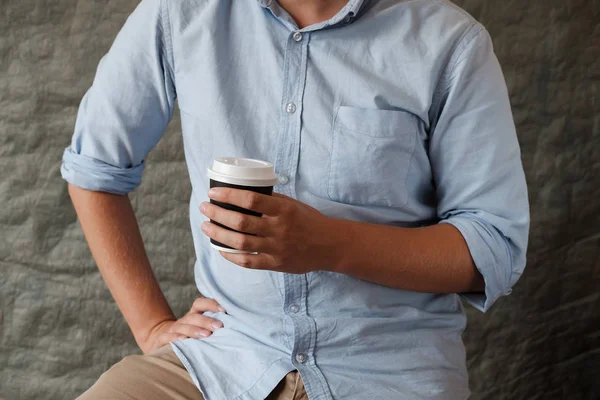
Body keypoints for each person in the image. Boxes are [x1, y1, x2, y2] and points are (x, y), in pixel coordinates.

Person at [61, 0, 530, 399]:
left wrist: (329, 244)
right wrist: (152, 327)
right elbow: (93, 171)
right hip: (222, 360)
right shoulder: (180, 11)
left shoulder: (448, 40)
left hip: (387, 371)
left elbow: (493, 246)